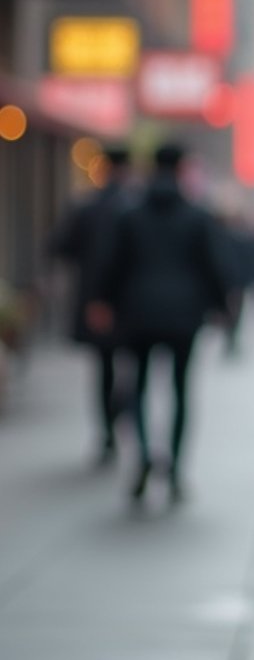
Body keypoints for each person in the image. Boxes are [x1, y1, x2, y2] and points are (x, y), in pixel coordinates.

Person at [92, 142, 232, 503]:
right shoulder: (197, 215)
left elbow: (111, 263)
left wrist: (102, 301)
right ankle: (174, 469)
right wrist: (221, 306)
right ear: (182, 167)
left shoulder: (130, 213)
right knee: (180, 390)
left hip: (136, 312)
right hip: (184, 315)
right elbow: (213, 265)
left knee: (135, 386)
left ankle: (142, 455)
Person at [49, 144, 134, 464]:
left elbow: (60, 245)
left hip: (98, 302)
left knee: (104, 367)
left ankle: (108, 429)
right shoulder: (136, 204)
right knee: (133, 365)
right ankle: (124, 414)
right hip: (132, 304)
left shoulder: (87, 206)